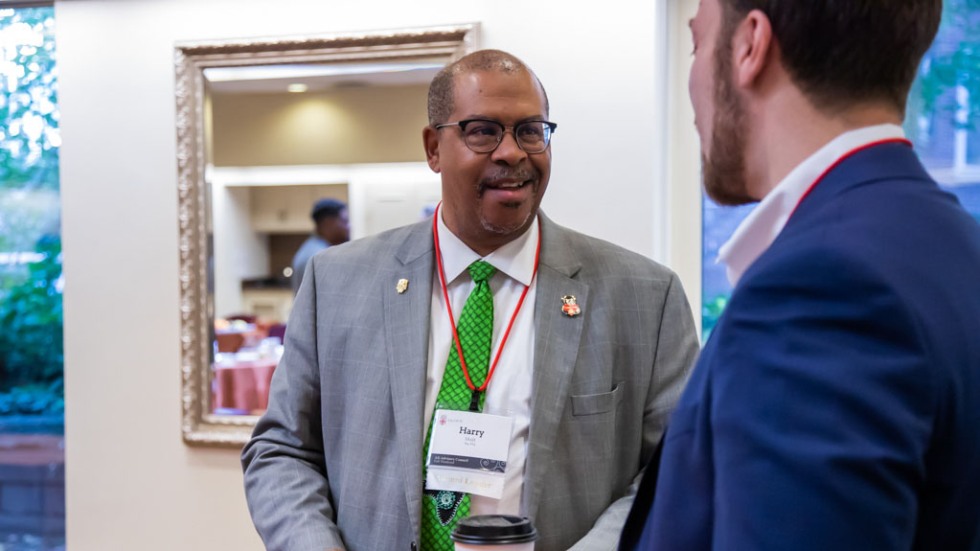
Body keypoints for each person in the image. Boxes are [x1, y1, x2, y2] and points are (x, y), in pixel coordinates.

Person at [242, 49, 699, 551]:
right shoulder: (336, 284)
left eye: (531, 130)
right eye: (483, 130)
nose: (512, 152)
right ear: (434, 147)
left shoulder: (644, 297)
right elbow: (281, 451)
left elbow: (676, 469)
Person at [620, 1, 980, 549]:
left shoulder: (818, 290)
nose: (691, 85)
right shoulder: (957, 246)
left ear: (749, 46)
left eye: (697, 44)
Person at [291, 198, 350, 294]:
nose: (349, 227)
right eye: (345, 221)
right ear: (328, 223)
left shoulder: (313, 249)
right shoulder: (320, 256)